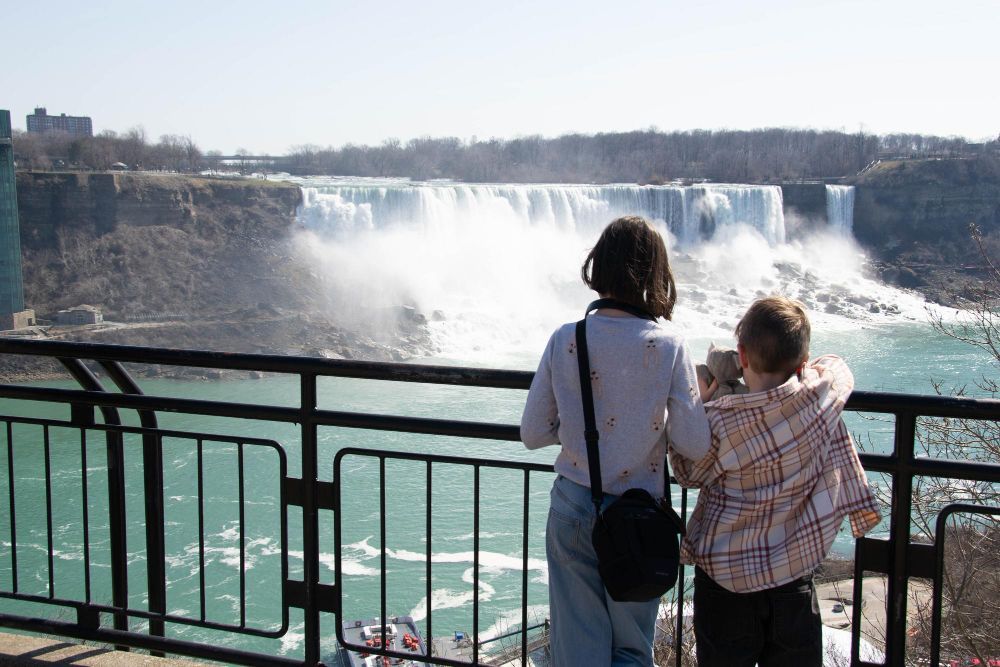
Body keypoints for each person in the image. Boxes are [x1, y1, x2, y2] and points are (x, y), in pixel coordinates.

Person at [520, 216, 711, 667]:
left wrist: (579, 436)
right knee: (630, 649)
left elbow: (532, 433)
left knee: (578, 650)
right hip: (638, 518)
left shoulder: (567, 338)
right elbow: (695, 444)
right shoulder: (669, 346)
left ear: (599, 265)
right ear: (653, 273)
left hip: (572, 507)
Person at [669, 296, 882, 667]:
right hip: (791, 577)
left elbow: (687, 473)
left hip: (725, 580)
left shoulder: (720, 421)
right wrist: (805, 371)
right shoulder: (819, 399)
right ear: (801, 364)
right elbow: (837, 367)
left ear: (743, 356)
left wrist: (701, 405)